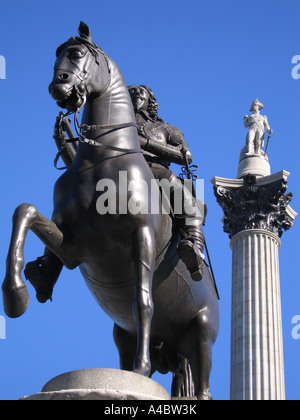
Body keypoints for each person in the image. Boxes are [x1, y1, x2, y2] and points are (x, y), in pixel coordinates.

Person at [128, 85, 206, 281]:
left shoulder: (167, 129)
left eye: (141, 92)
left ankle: (194, 246)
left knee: (188, 201)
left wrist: (145, 144)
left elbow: (185, 156)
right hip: (115, 171)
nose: (135, 94)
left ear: (150, 101)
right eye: (131, 92)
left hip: (156, 170)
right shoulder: (113, 124)